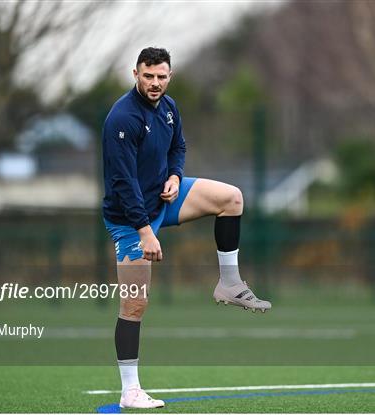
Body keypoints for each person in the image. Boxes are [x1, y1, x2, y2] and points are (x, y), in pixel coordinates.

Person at [102, 47, 271, 409]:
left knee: (231, 198)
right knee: (134, 304)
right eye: (148, 76)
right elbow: (122, 182)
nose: (155, 83)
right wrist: (145, 231)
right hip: (131, 217)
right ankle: (130, 391)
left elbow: (178, 146)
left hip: (163, 197)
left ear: (169, 76)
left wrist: (177, 176)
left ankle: (229, 283)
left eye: (162, 76)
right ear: (135, 74)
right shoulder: (122, 118)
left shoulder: (168, 108)